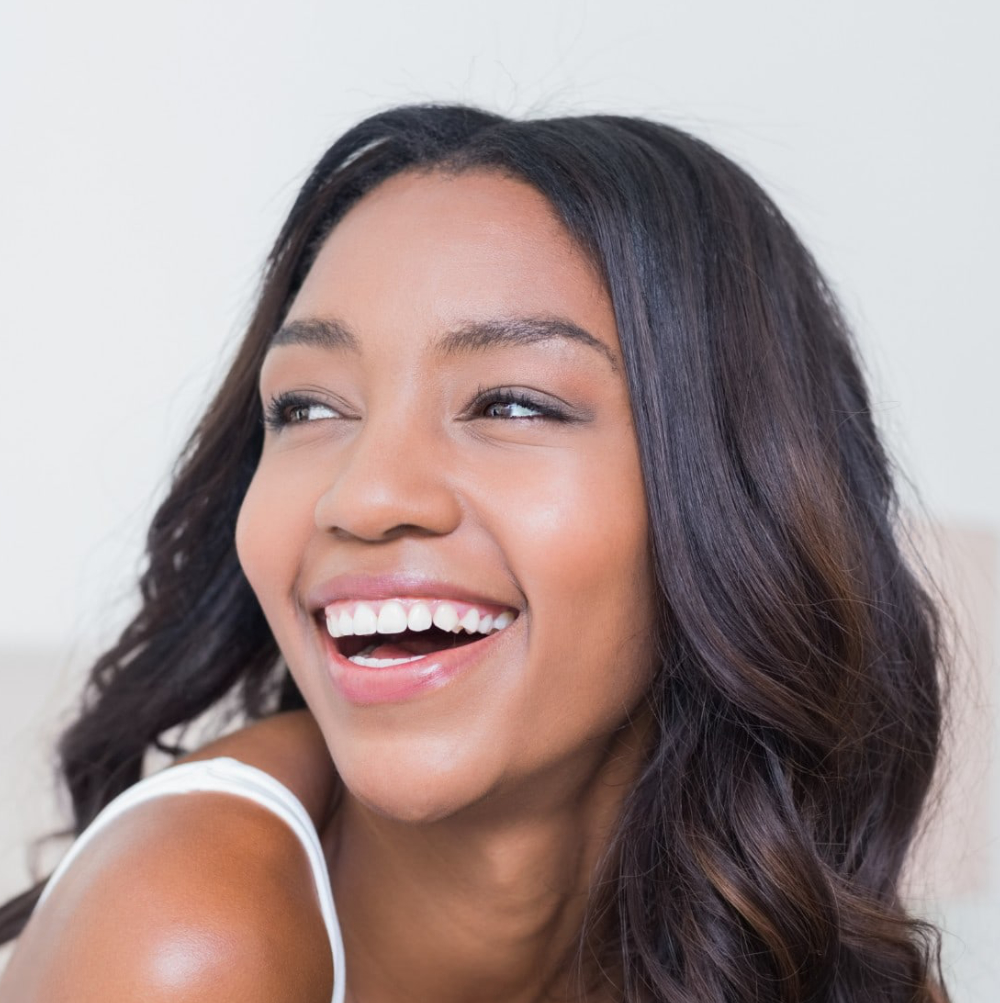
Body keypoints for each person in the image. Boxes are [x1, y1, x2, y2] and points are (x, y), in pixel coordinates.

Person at [0, 104, 948, 1002]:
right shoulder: (184, 939)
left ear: (737, 491)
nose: (365, 497)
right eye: (308, 407)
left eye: (512, 404)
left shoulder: (777, 924)